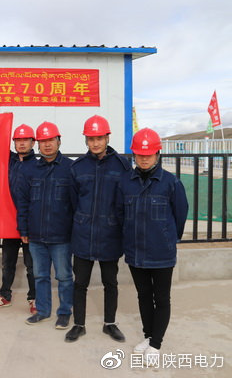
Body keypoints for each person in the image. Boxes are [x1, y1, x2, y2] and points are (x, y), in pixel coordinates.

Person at [116, 128, 188, 364]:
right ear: (134, 155)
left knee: (162, 298)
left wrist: (166, 238)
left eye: (148, 154)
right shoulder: (125, 182)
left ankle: (156, 344)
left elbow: (180, 216)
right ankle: (148, 336)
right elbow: (119, 213)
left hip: (161, 252)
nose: (144, 158)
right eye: (140, 154)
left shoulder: (171, 182)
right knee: (143, 296)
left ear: (157, 154)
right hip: (135, 250)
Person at [65, 115, 131, 343]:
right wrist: (82, 220)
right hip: (83, 234)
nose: (95, 143)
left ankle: (109, 323)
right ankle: (79, 325)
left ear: (107, 138)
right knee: (80, 283)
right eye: (91, 139)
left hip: (110, 235)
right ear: (86, 140)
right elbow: (73, 201)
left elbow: (125, 201)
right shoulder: (78, 167)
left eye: (99, 138)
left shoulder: (122, 166)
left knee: (110, 283)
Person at [15, 122, 75, 329]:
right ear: (37, 144)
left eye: (51, 140)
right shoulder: (30, 170)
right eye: (43, 141)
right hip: (36, 234)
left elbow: (76, 203)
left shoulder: (70, 168)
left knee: (64, 276)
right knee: (40, 275)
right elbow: (23, 202)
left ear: (59, 141)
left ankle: (64, 312)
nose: (47, 145)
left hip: (62, 236)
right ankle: (42, 311)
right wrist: (23, 229)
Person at [0, 124, 36, 313]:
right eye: (18, 140)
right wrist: (0, 123)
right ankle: (4, 295)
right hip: (9, 222)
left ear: (33, 142)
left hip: (29, 223)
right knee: (8, 262)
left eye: (25, 140)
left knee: (32, 265)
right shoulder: (9, 161)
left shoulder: (37, 166)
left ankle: (34, 299)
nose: (21, 143)